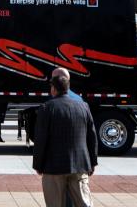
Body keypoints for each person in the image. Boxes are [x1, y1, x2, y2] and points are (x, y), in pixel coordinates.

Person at [32, 74, 99, 207]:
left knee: (55, 203)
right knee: (84, 203)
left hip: (53, 166)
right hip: (80, 165)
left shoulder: (47, 108)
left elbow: (40, 139)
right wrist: (92, 162)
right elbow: (92, 136)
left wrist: (38, 164)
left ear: (53, 89)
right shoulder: (83, 106)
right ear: (68, 88)